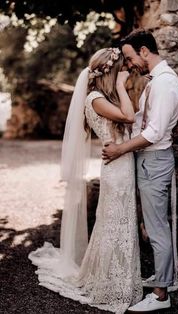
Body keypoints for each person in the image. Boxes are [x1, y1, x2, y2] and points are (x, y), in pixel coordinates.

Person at [28, 47, 143, 314]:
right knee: (115, 222)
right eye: (118, 70)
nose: (123, 72)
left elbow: (129, 118)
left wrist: (118, 89)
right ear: (109, 72)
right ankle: (109, 281)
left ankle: (119, 278)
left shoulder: (105, 98)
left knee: (119, 222)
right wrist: (122, 87)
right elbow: (128, 116)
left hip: (121, 163)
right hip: (116, 168)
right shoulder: (95, 99)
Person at [102, 29, 178, 312]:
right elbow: (141, 121)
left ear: (144, 51)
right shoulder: (155, 81)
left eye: (130, 57)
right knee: (152, 226)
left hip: (154, 160)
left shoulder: (164, 84)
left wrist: (119, 150)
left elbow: (153, 133)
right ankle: (163, 278)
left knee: (156, 228)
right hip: (148, 160)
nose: (129, 64)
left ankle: (161, 295)